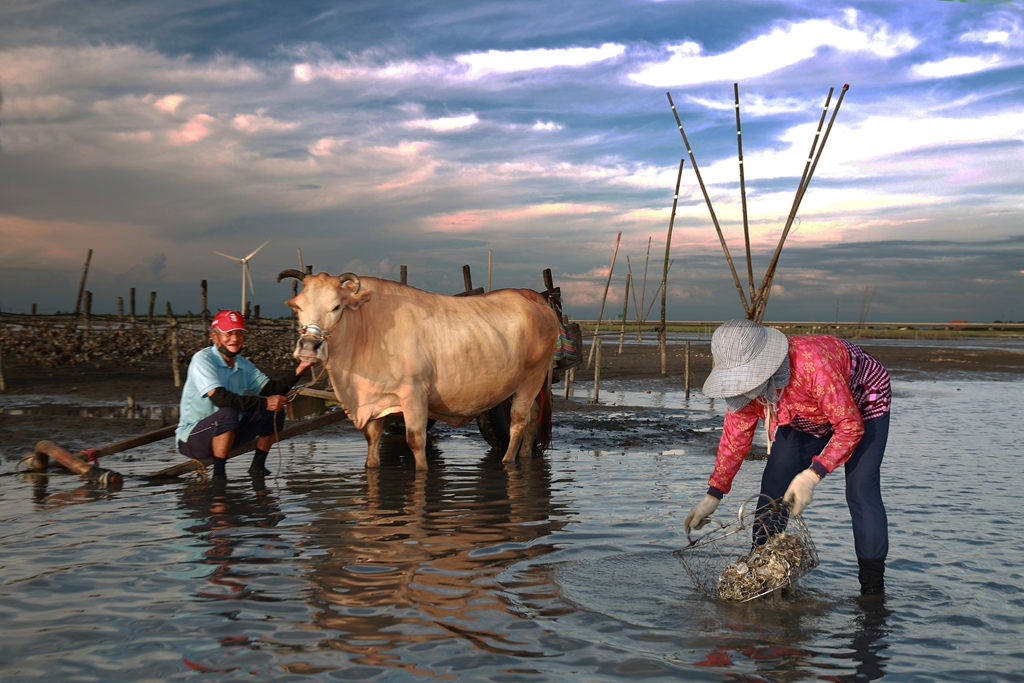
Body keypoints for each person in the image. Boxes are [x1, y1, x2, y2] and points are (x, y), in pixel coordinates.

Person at [684, 318, 892, 595]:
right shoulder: (746, 391)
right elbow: (735, 440)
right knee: (773, 487)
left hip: (863, 399)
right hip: (803, 412)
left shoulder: (813, 365)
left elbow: (850, 426)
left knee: (860, 491)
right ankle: (763, 574)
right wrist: (714, 494)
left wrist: (813, 474)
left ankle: (872, 591)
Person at [175, 310, 313, 480]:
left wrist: (300, 369)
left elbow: (271, 390)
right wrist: (264, 403)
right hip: (194, 440)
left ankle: (257, 467)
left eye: (239, 333)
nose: (234, 338)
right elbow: (219, 398)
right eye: (229, 333)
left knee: (275, 408)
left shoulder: (243, 364)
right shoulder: (203, 360)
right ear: (214, 336)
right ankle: (219, 475)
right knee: (229, 412)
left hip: (230, 431)